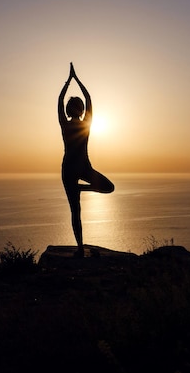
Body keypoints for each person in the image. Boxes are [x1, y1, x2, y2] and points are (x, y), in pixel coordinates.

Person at [58, 63, 114, 258]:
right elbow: (88, 98)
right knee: (103, 191)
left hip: (73, 169)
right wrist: (76, 80)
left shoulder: (67, 124)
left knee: (76, 210)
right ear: (80, 110)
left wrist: (69, 81)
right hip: (80, 167)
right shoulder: (86, 124)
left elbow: (59, 100)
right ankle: (80, 248)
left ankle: (80, 248)